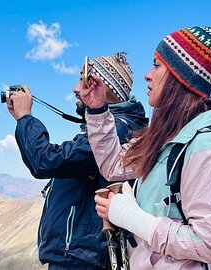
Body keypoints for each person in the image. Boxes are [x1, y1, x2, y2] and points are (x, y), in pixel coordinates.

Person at [81, 26, 211, 270]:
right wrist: (98, 108)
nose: (147, 75)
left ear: (180, 77)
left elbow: (209, 243)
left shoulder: (209, 148)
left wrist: (133, 218)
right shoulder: (167, 138)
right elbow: (113, 166)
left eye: (156, 65)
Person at [8, 52, 147, 270]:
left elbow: (46, 160)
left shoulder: (117, 130)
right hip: (81, 255)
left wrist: (25, 118)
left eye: (84, 80)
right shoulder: (118, 127)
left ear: (103, 88)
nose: (76, 89)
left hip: (83, 257)